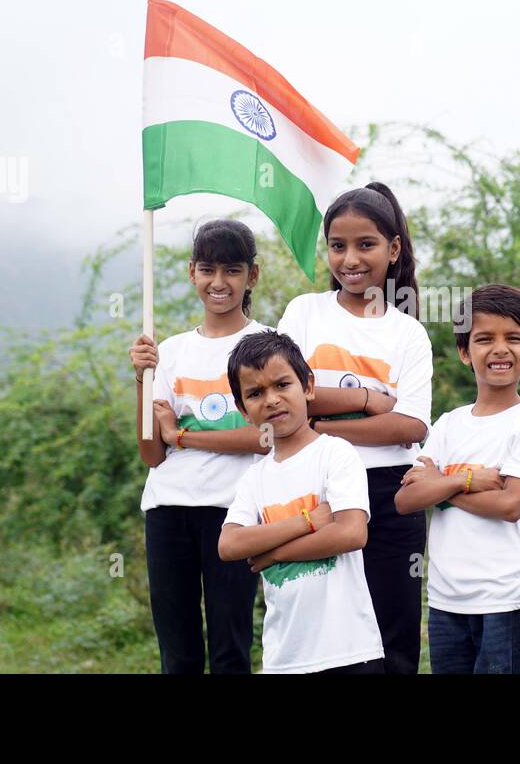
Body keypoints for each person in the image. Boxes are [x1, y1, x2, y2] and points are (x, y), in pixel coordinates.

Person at [275, 182, 433, 674]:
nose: (350, 258)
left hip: (389, 494)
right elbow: (283, 389)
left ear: (393, 249)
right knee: (320, 625)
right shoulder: (305, 312)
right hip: (314, 488)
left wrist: (320, 423)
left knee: (394, 634)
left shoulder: (407, 332)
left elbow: (410, 425)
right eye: (338, 245)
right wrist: (369, 400)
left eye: (366, 244)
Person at [128, 219, 270, 674]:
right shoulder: (169, 351)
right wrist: (141, 382)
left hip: (234, 514)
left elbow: (264, 438)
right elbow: (152, 455)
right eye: (208, 269)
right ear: (192, 272)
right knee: (178, 653)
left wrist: (182, 435)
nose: (219, 282)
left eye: (232, 270)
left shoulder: (265, 348)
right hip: (168, 511)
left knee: (230, 650)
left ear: (252, 275)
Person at [394, 284, 520, 674]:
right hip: (446, 600)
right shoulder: (449, 424)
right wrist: (465, 481)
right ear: (466, 352)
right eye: (484, 339)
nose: (500, 349)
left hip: (506, 598)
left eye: (514, 338)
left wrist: (440, 482)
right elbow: (405, 500)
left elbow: (510, 505)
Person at [218, 330, 384, 674]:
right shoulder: (254, 478)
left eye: (282, 385)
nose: (271, 400)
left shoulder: (335, 453)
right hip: (284, 660)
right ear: (242, 409)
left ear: (307, 386)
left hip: (350, 653)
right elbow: (230, 544)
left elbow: (351, 534)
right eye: (255, 393)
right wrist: (307, 521)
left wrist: (274, 552)